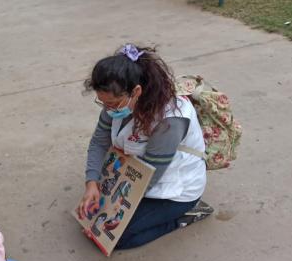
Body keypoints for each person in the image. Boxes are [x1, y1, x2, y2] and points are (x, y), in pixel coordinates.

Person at [78, 44, 214, 250]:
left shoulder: (170, 121)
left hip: (175, 190)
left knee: (114, 238)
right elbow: (99, 142)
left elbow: (148, 177)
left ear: (136, 91)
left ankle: (185, 215)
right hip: (134, 173)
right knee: (98, 225)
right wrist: (91, 182)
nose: (107, 110)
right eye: (102, 103)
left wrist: (110, 211)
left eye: (112, 104)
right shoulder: (115, 101)